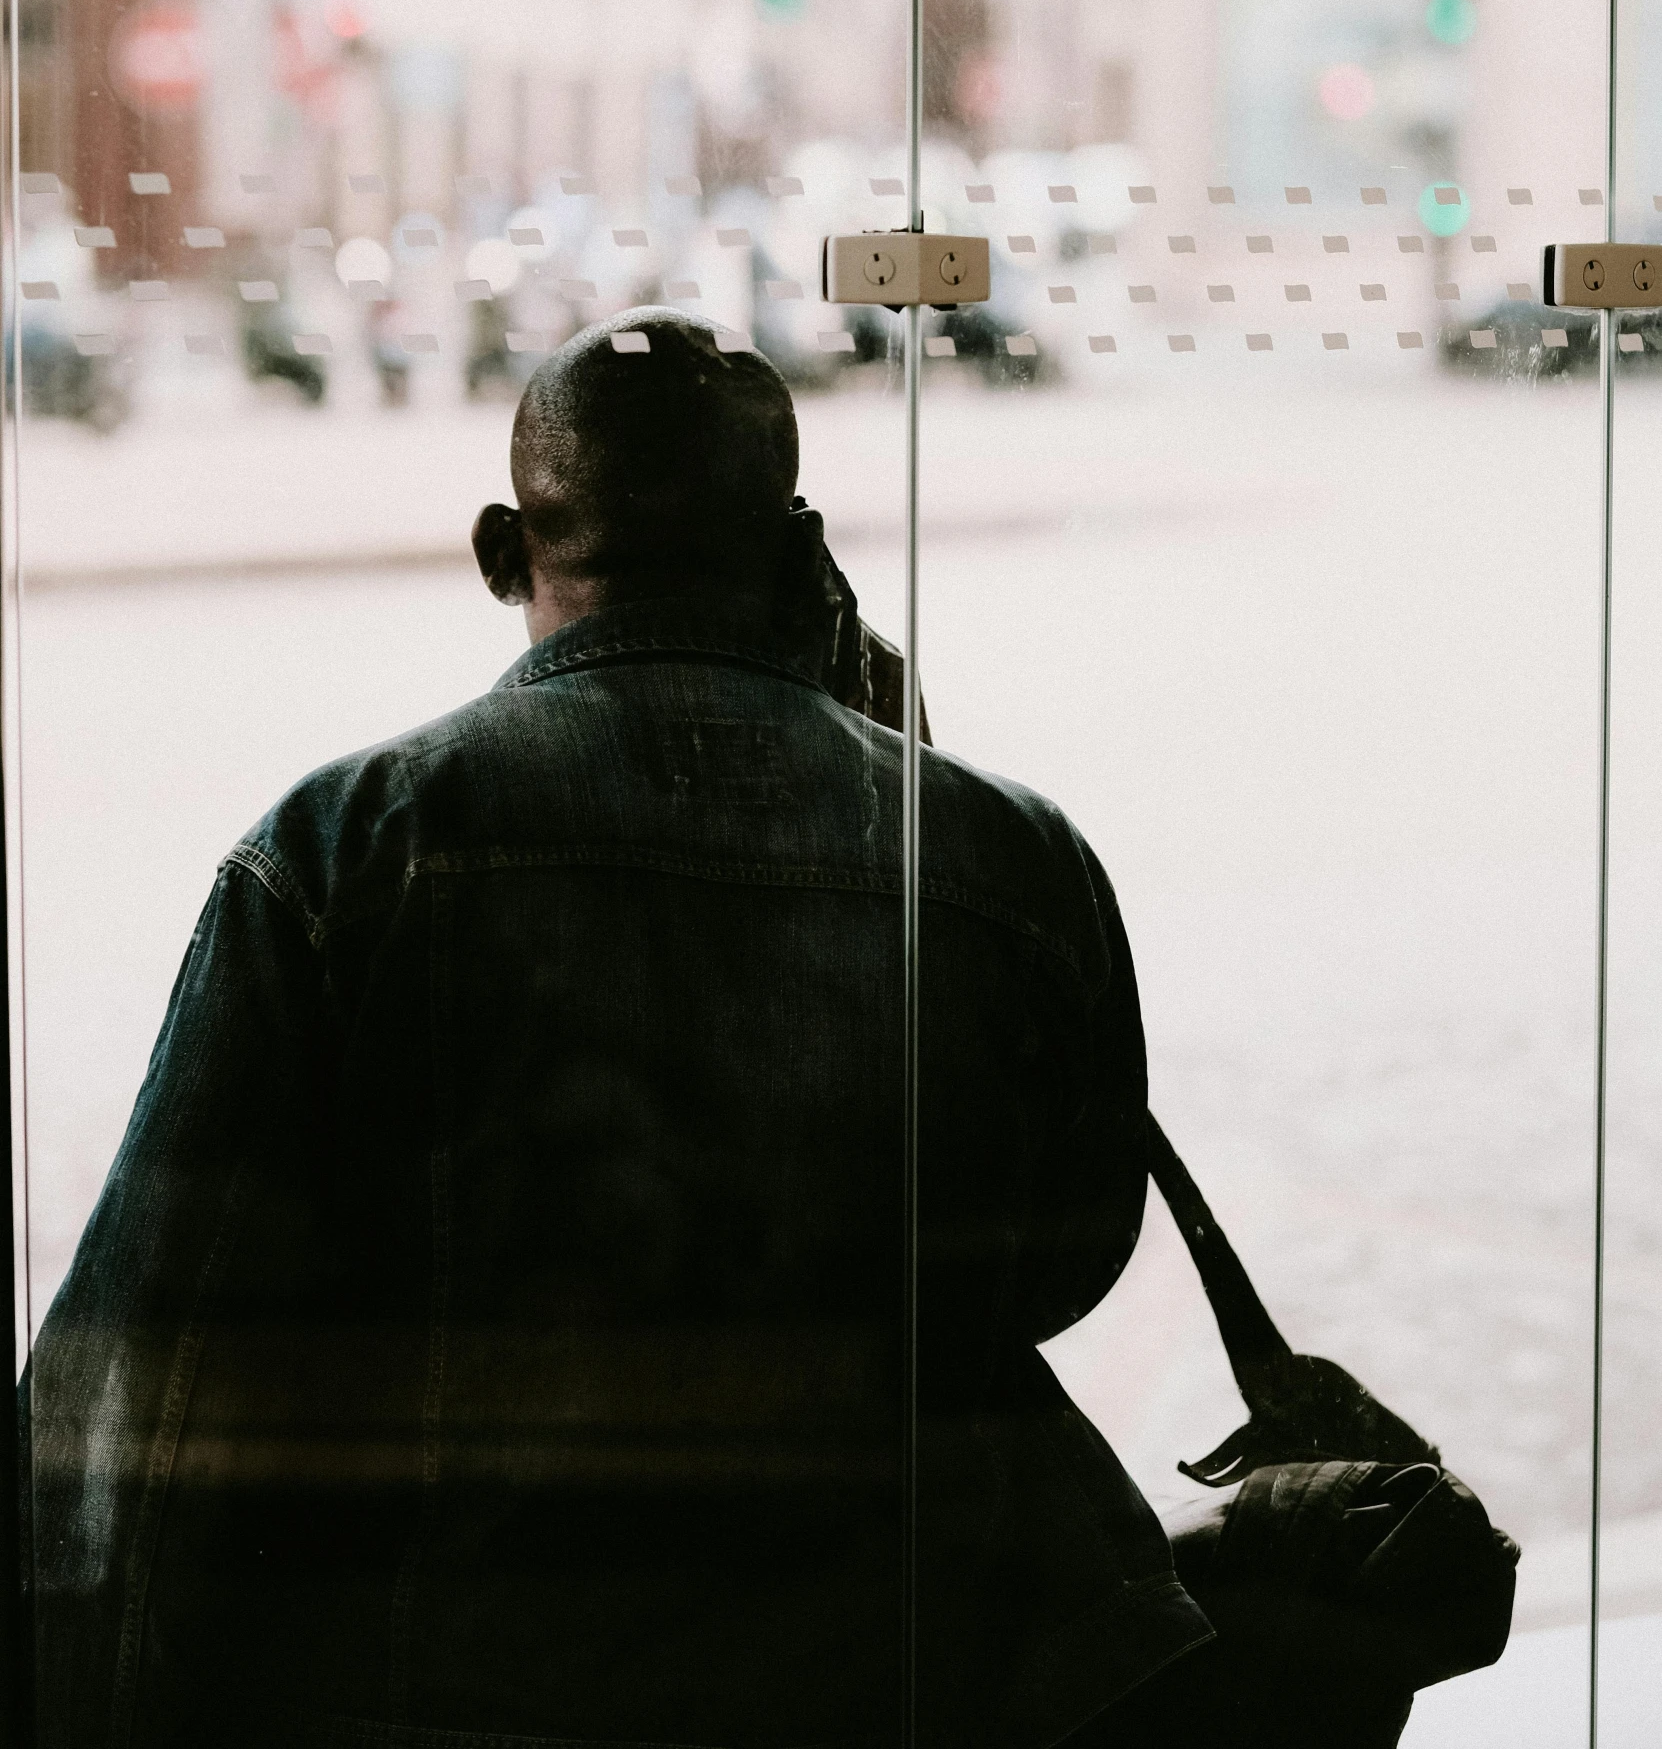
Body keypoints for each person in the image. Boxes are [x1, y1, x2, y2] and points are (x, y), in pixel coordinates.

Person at [26, 309, 1212, 1749]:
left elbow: (156, 1358)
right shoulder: (1003, 857)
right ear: (799, 554)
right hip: (908, 1661)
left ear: (499, 549)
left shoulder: (353, 847)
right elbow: (1061, 1260)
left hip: (470, 1673)